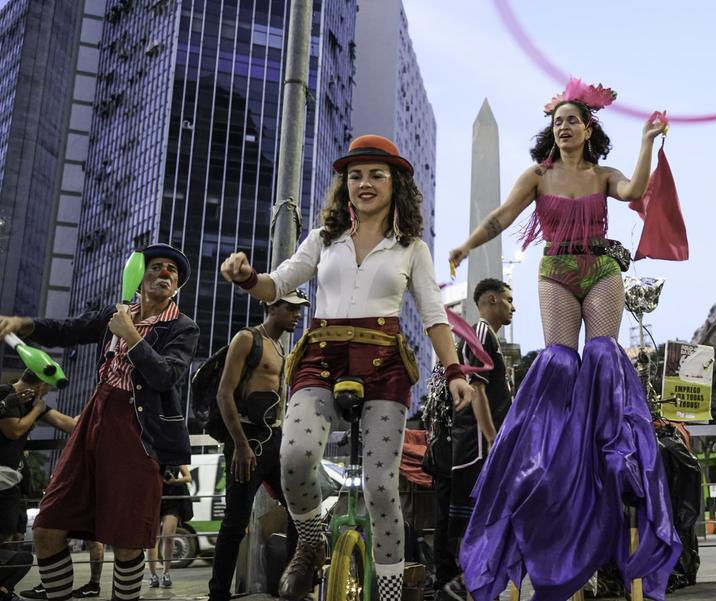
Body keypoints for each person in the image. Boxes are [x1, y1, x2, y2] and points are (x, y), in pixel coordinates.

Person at [449, 80, 681, 601]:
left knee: (601, 353)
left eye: (573, 119)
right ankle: (552, 439)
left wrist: (647, 141)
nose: (564, 125)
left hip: (600, 266)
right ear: (552, 131)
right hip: (555, 268)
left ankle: (609, 438)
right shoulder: (538, 175)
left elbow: (635, 192)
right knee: (557, 362)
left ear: (588, 128)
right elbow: (501, 217)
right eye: (558, 120)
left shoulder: (602, 175)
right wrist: (467, 245)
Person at [219, 134, 472, 601]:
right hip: (322, 358)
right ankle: (312, 544)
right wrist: (247, 277)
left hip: (384, 367)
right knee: (294, 458)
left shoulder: (411, 247)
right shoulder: (322, 239)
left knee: (380, 488)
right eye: (355, 175)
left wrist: (455, 372)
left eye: (376, 174)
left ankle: (391, 593)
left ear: (395, 183)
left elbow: (434, 315)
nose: (365, 183)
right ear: (345, 186)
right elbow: (278, 283)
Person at [0, 243, 197, 601]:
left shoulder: (182, 327)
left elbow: (166, 376)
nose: (164, 272)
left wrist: (131, 334)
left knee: (126, 540)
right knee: (47, 527)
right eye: (155, 266)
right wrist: (23, 324)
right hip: (95, 416)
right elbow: (67, 329)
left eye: (172, 269)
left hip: (138, 431)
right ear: (139, 276)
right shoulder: (115, 311)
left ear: (178, 285)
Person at [206, 291, 308, 601]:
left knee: (299, 510)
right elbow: (224, 394)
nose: (297, 314)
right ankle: (218, 594)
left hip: (274, 440)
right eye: (290, 308)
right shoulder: (248, 339)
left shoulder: (281, 347)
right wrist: (239, 444)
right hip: (247, 440)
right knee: (236, 521)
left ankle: (292, 590)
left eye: (299, 309)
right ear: (270, 306)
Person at [437, 279, 514, 600]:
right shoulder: (481, 332)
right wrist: (493, 439)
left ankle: (473, 584)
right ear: (492, 300)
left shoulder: (487, 336)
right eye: (509, 300)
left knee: (487, 521)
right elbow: (477, 389)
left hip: (482, 446)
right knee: (483, 520)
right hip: (479, 448)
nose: (513, 307)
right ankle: (465, 583)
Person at [0, 371, 76, 601]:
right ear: (42, 384)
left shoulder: (34, 404)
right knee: (5, 535)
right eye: (49, 387)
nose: (48, 393)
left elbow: (69, 424)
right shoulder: (6, 393)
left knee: (14, 539)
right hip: (2, 480)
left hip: (11, 483)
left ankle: (4, 590)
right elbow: (13, 429)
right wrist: (37, 409)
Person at [147, 465, 192, 588]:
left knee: (169, 536)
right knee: (153, 539)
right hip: (154, 498)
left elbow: (188, 477)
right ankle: (153, 576)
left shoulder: (176, 455)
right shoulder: (153, 453)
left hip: (172, 500)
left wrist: (175, 481)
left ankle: (166, 573)